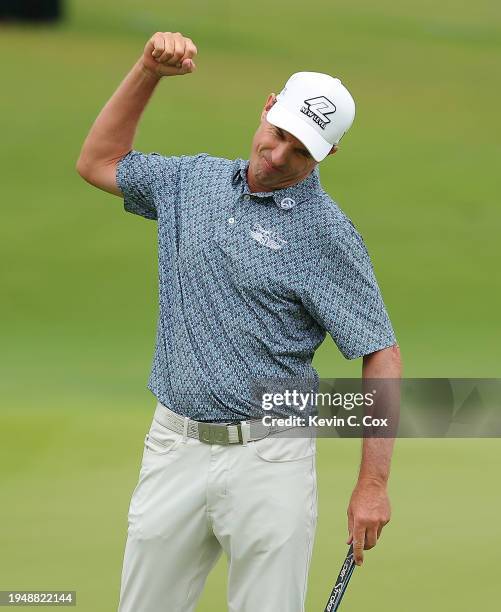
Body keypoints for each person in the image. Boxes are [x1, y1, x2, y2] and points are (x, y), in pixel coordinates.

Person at [77, 31, 402, 612]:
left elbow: (381, 352)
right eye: (277, 134)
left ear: (325, 156)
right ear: (268, 106)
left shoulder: (328, 235)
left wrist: (371, 485)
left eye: (300, 150)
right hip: (173, 446)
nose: (277, 156)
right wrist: (148, 70)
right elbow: (97, 161)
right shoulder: (190, 184)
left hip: (270, 460)